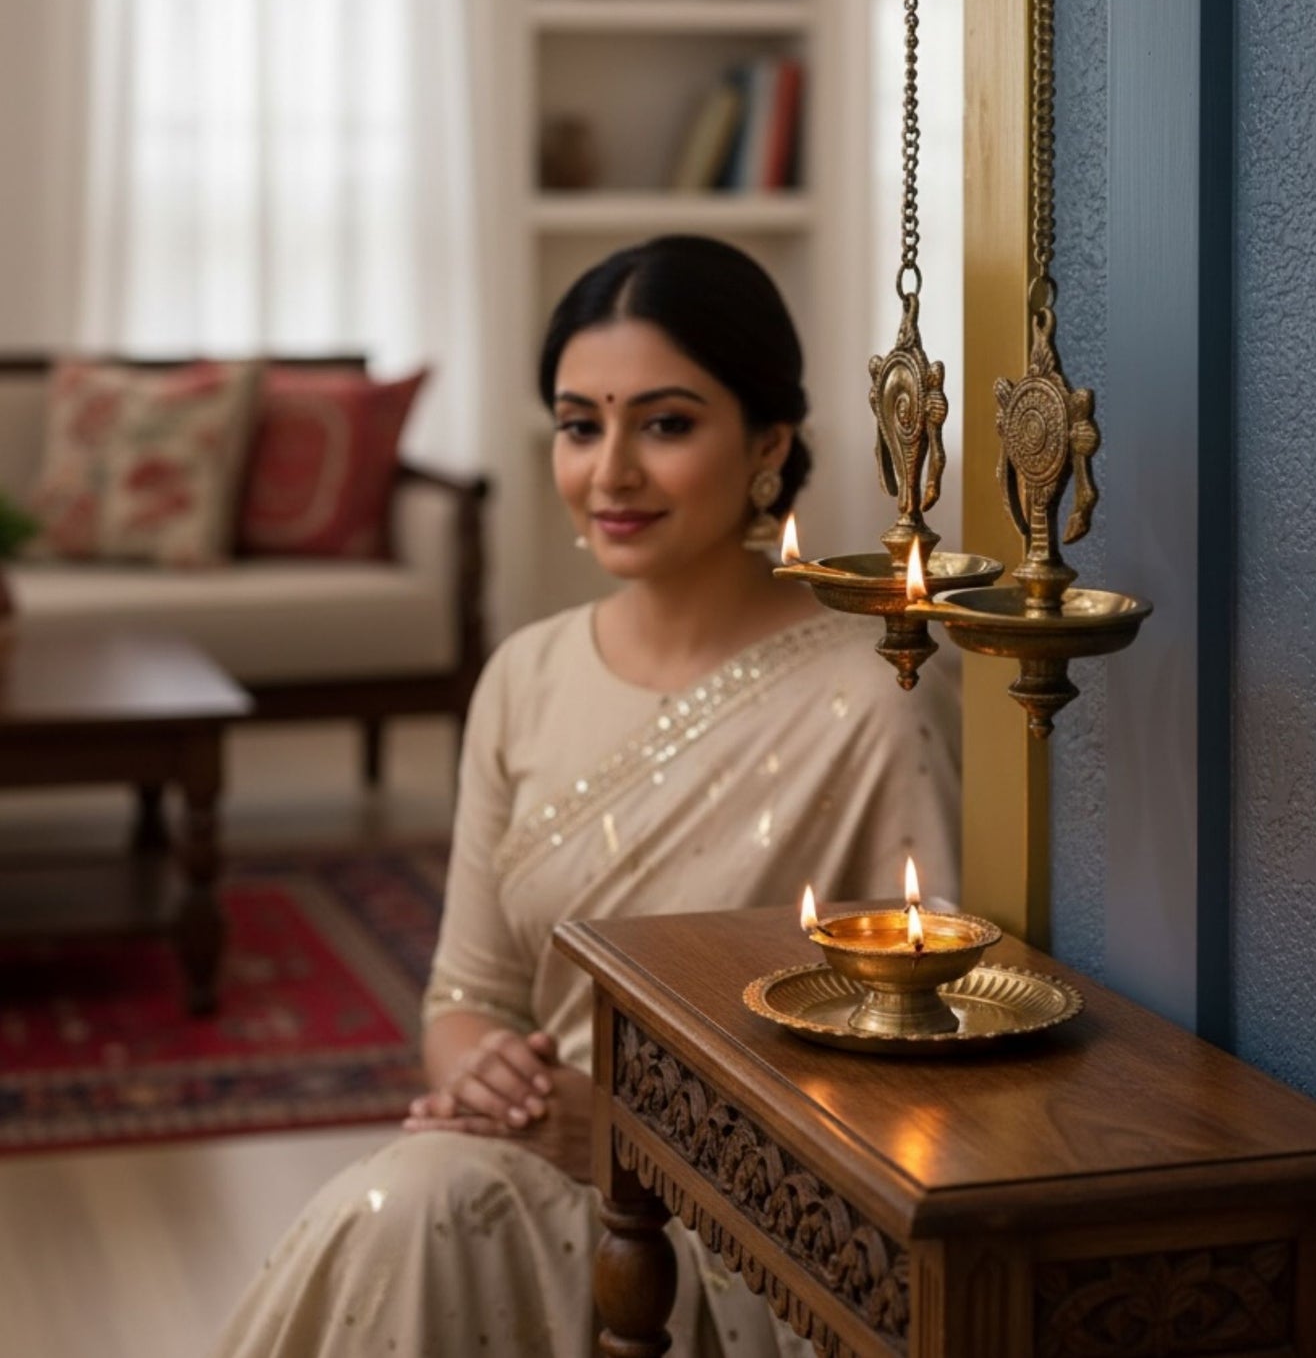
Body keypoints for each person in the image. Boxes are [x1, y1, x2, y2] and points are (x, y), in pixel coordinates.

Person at [211, 235, 960, 1357]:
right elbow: (466, 997)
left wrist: (626, 1135)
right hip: (537, 1179)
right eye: (578, 425)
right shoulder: (524, 674)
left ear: (768, 443)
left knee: (420, 1201)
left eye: (664, 424)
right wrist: (489, 1078)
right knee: (418, 1196)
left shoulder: (875, 694)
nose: (609, 471)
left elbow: (926, 1071)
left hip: (761, 1234)